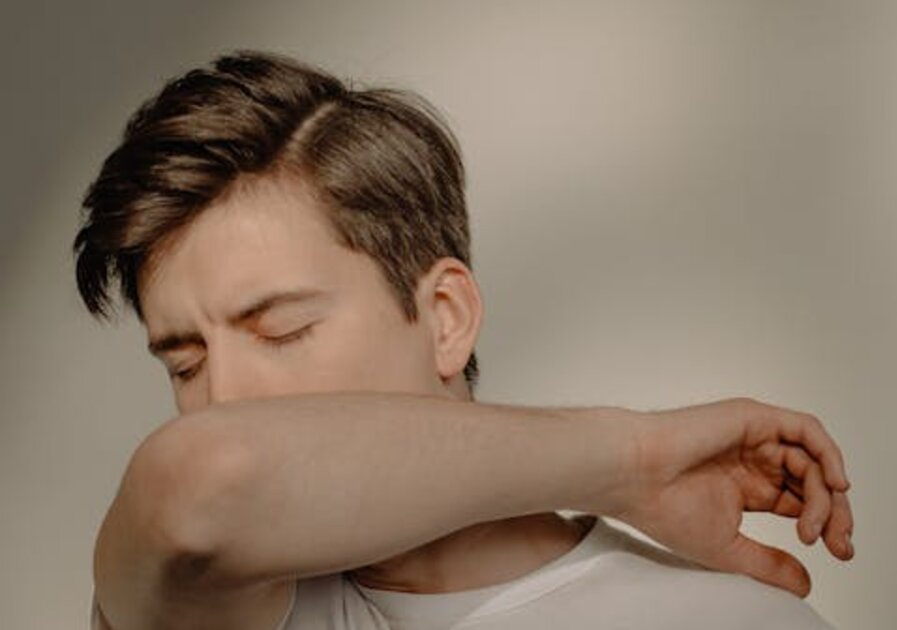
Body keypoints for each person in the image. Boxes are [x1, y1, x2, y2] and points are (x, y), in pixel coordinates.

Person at [75, 51, 855, 630]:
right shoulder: (210, 604)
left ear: (446, 318)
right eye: (185, 363)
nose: (222, 399)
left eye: (283, 330)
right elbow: (200, 481)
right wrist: (632, 462)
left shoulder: (726, 620)